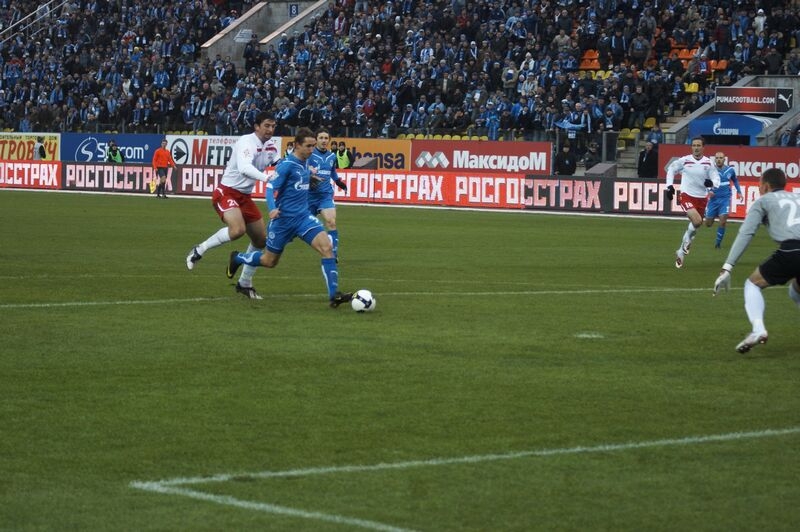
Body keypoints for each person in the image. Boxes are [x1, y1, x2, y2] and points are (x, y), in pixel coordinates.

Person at [226, 128, 352, 308]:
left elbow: (300, 179)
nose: (312, 150)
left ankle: (334, 296)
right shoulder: (286, 165)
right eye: (308, 146)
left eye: (313, 146)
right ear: (297, 145)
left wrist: (311, 178)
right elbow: (270, 188)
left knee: (327, 248)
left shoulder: (306, 162)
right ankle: (238, 258)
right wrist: (272, 209)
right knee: (269, 261)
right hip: (283, 221)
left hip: (303, 218)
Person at [185, 111, 279, 300]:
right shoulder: (246, 142)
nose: (270, 129)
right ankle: (199, 249)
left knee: (261, 241)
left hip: (245, 197)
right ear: (257, 126)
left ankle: (244, 283)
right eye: (267, 125)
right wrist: (267, 178)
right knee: (237, 230)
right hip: (226, 192)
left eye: (273, 126)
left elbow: (281, 165)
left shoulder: (271, 147)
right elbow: (244, 168)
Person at [712, 168, 800, 353]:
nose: (759, 188)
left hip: (792, 250)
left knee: (752, 284)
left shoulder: (763, 201)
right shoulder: (797, 197)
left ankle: (758, 329)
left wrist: (727, 267)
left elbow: (746, 233)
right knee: (795, 291)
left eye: (760, 185)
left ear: (766, 186)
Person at [665, 137, 720, 268]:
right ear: (691, 147)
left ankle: (681, 251)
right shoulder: (684, 160)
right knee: (697, 220)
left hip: (702, 198)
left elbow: (716, 179)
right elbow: (671, 169)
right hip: (686, 195)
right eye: (694, 145)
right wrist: (669, 186)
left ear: (703, 147)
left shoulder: (709, 163)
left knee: (697, 224)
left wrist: (712, 183)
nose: (696, 148)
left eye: (698, 145)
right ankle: (687, 242)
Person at [308, 129, 348, 260]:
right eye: (321, 138)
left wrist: (339, 182)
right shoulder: (309, 154)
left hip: (325, 196)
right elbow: (300, 169)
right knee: (295, 229)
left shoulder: (332, 156)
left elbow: (332, 172)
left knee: (331, 222)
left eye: (326, 138)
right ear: (316, 140)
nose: (324, 140)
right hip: (308, 197)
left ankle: (333, 253)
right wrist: (309, 177)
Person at [704, 151, 743, 249]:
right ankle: (707, 214)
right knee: (708, 224)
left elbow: (735, 180)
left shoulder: (730, 170)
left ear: (724, 159)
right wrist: (709, 191)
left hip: (725, 199)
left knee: (723, 221)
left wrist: (739, 191)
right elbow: (705, 182)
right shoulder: (711, 171)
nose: (719, 160)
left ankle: (718, 243)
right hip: (713, 200)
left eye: (721, 158)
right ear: (714, 159)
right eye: (717, 158)